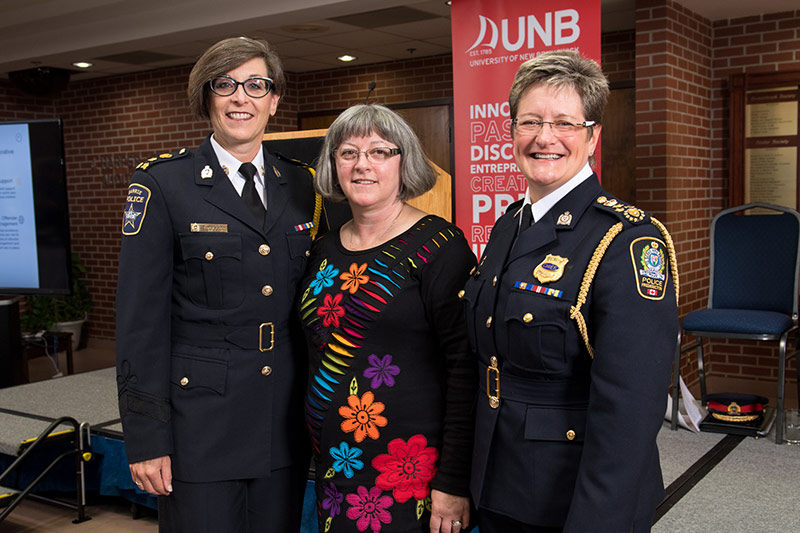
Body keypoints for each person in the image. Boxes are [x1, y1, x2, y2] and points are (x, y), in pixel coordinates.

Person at [462, 50, 680, 532]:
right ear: (511, 131)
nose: (545, 138)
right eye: (530, 121)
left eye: (564, 123)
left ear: (593, 135)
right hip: (499, 477)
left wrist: (597, 520)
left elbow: (630, 408)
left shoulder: (625, 241)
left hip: (574, 496)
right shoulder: (508, 226)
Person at [115, 37, 320, 532]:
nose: (240, 98)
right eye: (224, 84)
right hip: (199, 424)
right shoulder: (163, 184)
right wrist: (147, 438)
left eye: (256, 85)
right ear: (206, 97)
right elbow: (141, 323)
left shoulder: (305, 185)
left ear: (274, 101)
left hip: (282, 420)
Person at [299, 104, 476, 533]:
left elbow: (465, 369)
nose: (363, 164)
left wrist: (453, 482)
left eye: (380, 151)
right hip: (334, 465)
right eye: (348, 153)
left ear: (405, 162)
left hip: (409, 471)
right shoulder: (323, 248)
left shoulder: (441, 246)